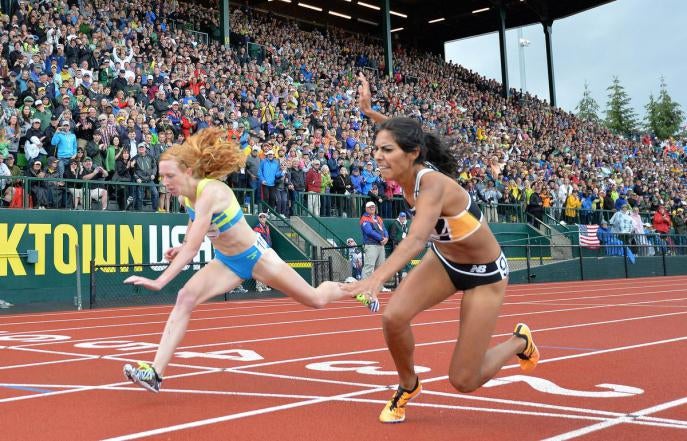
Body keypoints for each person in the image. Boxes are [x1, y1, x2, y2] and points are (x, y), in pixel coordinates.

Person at [343, 73, 539, 424]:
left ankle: (519, 342)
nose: (377, 156)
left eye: (386, 150)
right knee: (393, 317)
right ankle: (409, 384)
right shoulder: (407, 162)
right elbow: (398, 130)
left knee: (464, 380)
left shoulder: (430, 184)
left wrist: (375, 279)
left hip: (484, 275)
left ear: (412, 154)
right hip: (446, 261)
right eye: (376, 149)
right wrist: (371, 112)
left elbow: (417, 238)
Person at [122, 128, 375, 393]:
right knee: (185, 297)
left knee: (315, 299)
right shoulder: (188, 197)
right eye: (162, 176)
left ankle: (353, 287)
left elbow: (194, 248)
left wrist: (160, 280)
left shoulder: (210, 192)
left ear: (188, 172)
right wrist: (180, 246)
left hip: (256, 257)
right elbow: (192, 233)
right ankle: (155, 372)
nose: (164, 182)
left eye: (169, 175)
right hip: (226, 262)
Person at [253, 212, 272, 292]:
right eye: (261, 217)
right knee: (259, 268)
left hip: (267, 251)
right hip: (260, 251)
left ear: (266, 219)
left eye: (264, 217)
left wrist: (269, 247)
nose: (262, 218)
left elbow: (268, 239)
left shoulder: (267, 227)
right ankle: (259, 286)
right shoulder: (256, 228)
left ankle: (264, 285)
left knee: (265, 269)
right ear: (259, 219)